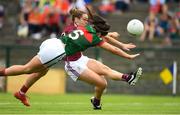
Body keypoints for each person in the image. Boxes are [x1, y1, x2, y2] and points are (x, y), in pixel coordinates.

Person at [0, 8, 142, 110]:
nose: (87, 22)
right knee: (28, 69)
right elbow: (100, 39)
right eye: (85, 19)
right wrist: (126, 53)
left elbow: (99, 35)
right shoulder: (80, 30)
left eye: (88, 20)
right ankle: (6, 77)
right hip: (62, 55)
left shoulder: (83, 29)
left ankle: (21, 92)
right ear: (77, 20)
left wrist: (120, 42)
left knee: (41, 71)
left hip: (63, 51)